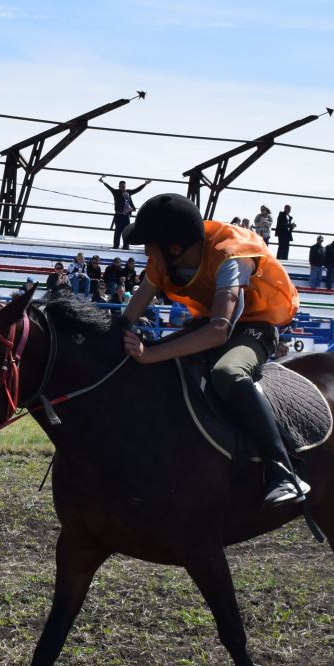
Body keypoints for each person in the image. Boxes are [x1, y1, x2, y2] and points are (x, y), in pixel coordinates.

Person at [119, 192, 308, 508]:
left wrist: (149, 353)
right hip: (207, 324)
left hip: (254, 327)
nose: (145, 251)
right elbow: (129, 315)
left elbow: (220, 331)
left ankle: (284, 470)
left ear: (174, 248)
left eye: (149, 244)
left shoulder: (231, 256)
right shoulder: (163, 260)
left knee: (227, 373)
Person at [100, 177, 151, 248]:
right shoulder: (116, 192)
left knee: (126, 231)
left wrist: (145, 184)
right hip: (118, 215)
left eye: (123, 186)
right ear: (119, 186)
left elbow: (137, 190)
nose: (122, 187)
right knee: (118, 231)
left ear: (125, 186)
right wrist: (103, 182)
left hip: (126, 215)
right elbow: (109, 188)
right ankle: (116, 245)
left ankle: (126, 246)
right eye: (121, 186)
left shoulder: (128, 192)